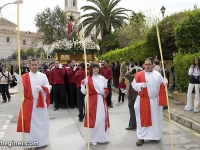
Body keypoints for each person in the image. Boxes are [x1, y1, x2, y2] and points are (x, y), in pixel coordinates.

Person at [131, 57, 168, 146]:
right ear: (143, 65)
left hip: (154, 101)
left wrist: (165, 83)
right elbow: (134, 85)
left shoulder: (158, 75)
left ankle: (155, 136)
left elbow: (161, 85)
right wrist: (140, 85)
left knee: (155, 119)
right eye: (146, 64)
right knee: (141, 119)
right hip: (142, 100)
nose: (147, 66)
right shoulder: (139, 75)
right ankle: (141, 137)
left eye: (149, 64)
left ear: (153, 65)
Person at [16, 59, 51, 149]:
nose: (34, 66)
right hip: (29, 103)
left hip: (40, 103)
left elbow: (48, 88)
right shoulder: (24, 77)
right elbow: (20, 91)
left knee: (42, 122)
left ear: (38, 65)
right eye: (32, 64)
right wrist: (19, 83)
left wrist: (42, 89)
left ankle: (43, 141)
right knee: (30, 124)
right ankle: (30, 143)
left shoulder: (43, 76)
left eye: (36, 64)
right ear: (29, 65)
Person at [81, 63, 110, 146]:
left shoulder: (102, 78)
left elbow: (106, 88)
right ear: (91, 69)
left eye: (97, 68)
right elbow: (83, 90)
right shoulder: (88, 78)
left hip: (101, 99)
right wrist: (84, 86)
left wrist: (104, 91)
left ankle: (103, 137)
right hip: (92, 100)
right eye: (94, 68)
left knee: (102, 118)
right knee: (94, 119)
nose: (96, 69)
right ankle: (93, 138)